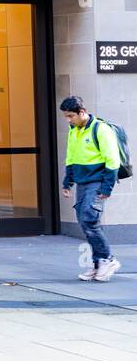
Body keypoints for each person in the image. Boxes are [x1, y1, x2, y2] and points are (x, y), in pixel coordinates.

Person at [60, 96, 122, 282]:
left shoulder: (100, 129)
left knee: (90, 220)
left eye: (71, 116)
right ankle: (98, 263)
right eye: (66, 117)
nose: (68, 120)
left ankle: (107, 259)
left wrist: (107, 187)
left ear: (82, 112)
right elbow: (71, 156)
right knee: (85, 222)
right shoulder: (74, 130)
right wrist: (67, 182)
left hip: (97, 181)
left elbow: (112, 160)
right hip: (82, 182)